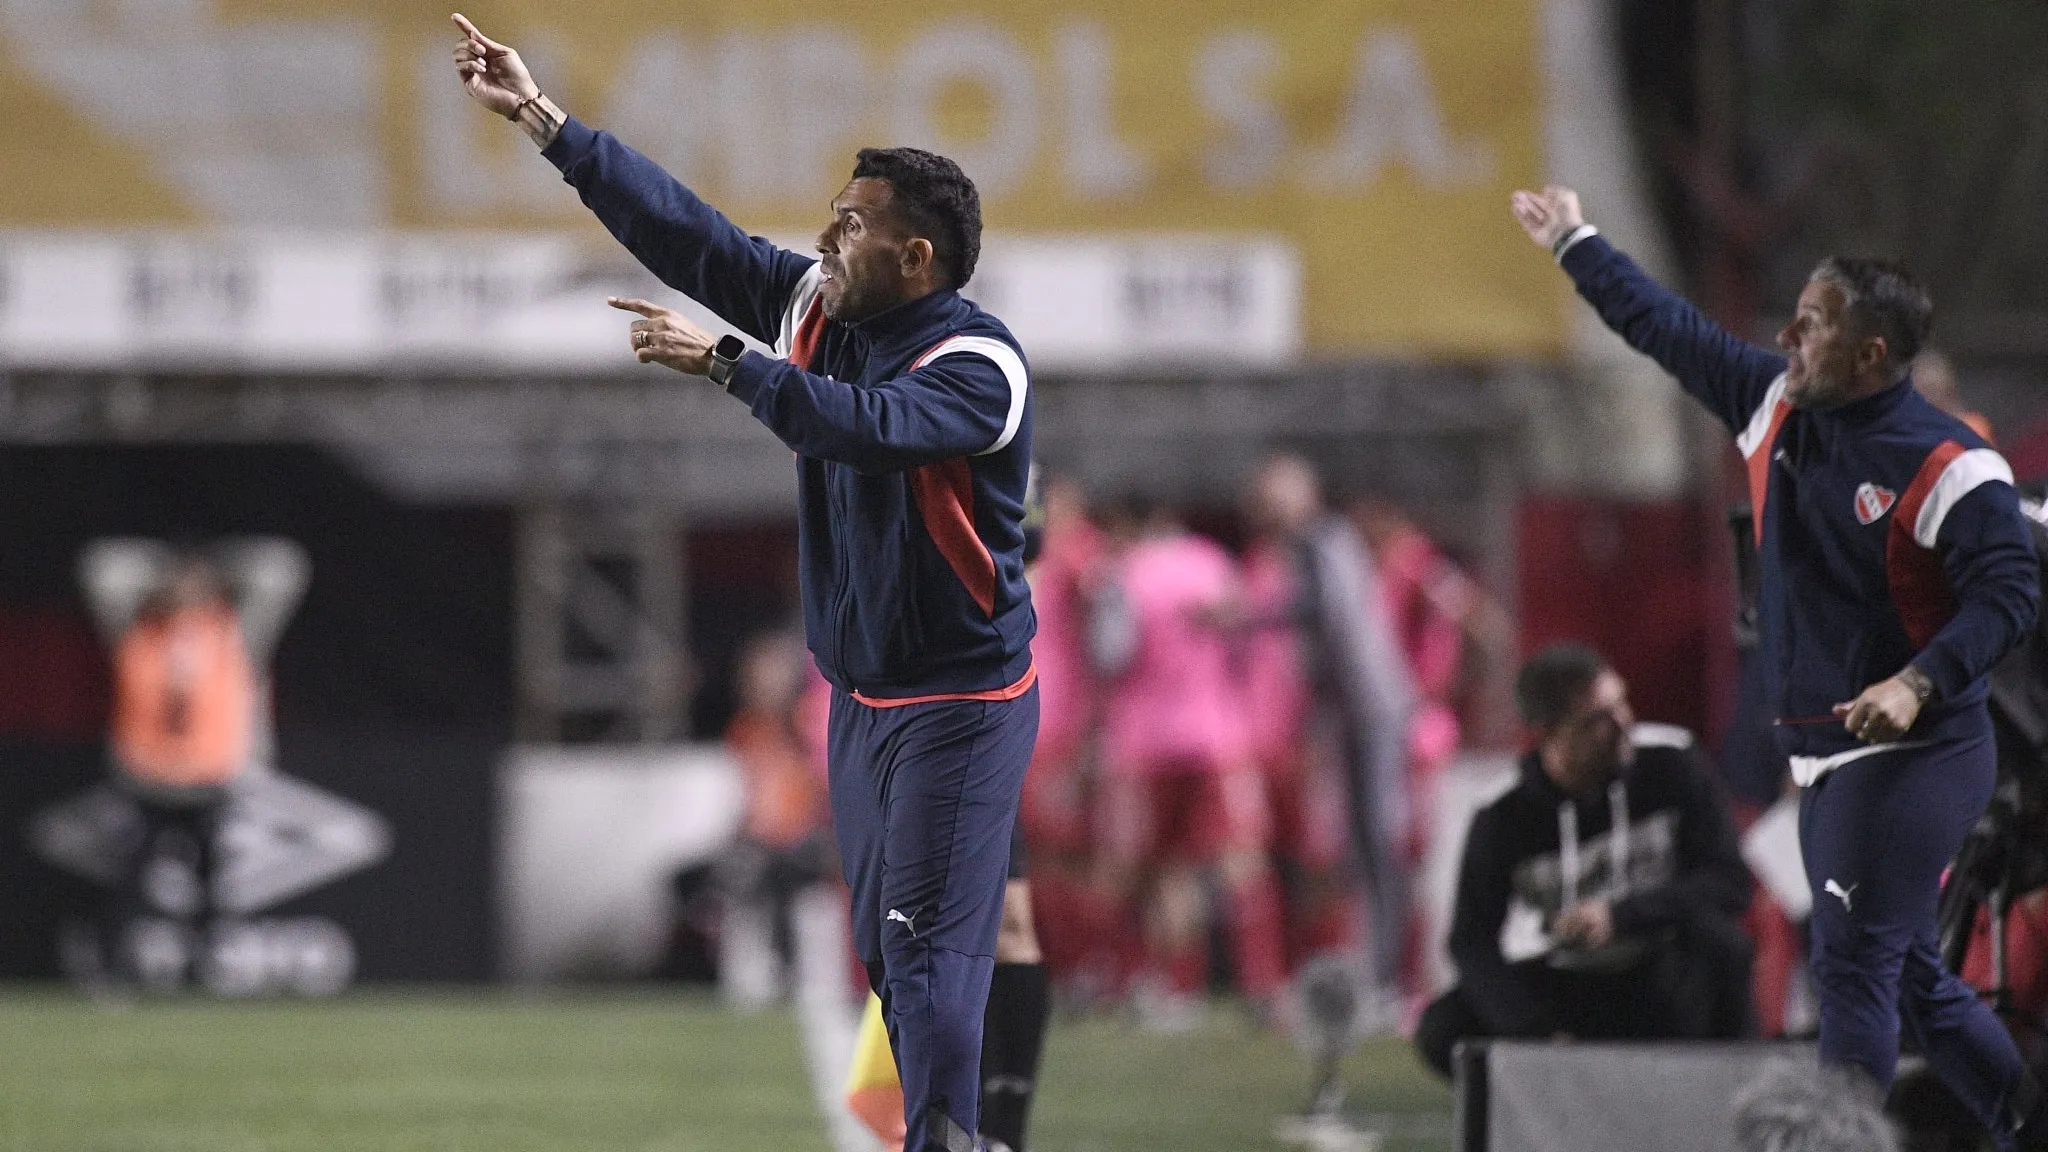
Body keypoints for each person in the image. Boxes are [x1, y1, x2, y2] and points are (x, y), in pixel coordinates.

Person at [453, 18, 1038, 1150]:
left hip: (960, 709)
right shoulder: (819, 312)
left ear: (915, 260)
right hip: (863, 704)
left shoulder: (978, 365)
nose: (823, 236)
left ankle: (954, 1138)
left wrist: (726, 362)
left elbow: (868, 430)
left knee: (927, 958)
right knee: (890, 958)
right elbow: (693, 237)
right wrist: (544, 122)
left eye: (851, 223)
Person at [1512, 185, 2045, 1147]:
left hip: (1919, 752)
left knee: (1851, 971)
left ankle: (1834, 1142)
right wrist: (1575, 241)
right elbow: (1660, 325)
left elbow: (2010, 599)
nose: (1788, 336)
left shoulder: (1952, 465)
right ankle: (2022, 1118)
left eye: (1815, 324)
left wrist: (1915, 680)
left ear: (1873, 355)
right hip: (1830, 752)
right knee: (1913, 980)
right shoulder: (1770, 401)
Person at [1413, 644, 1755, 1076]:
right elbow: (1470, 941)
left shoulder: (1671, 763)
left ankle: (1727, 1097)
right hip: (1569, 982)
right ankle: (1528, 1118)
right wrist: (1534, 1028)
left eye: (1621, 703)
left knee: (1724, 946)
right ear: (1548, 733)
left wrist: (1621, 916)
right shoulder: (1504, 814)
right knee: (1444, 1025)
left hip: (1662, 974)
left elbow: (1729, 882)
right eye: (1598, 719)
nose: (1623, 724)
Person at [1089, 496, 1285, 1025]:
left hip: (1144, 742)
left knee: (1162, 869)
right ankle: (1263, 984)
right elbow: (1249, 648)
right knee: (1239, 861)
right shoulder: (1215, 565)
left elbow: (1111, 654)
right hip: (1217, 737)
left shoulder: (1126, 572)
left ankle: (1177, 990)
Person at [80, 537, 308, 989]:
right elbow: (103, 567)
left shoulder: (234, 631)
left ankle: (208, 975)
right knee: (131, 886)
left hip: (209, 780)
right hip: (149, 780)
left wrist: (216, 571)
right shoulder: (137, 629)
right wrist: (165, 572)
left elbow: (283, 567)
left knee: (212, 889)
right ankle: (116, 974)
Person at [1241, 456, 1416, 1006]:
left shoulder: (1321, 541)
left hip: (1369, 709)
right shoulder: (1315, 545)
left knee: (1378, 838)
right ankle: (1382, 969)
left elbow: (1330, 614)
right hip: (1355, 712)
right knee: (1363, 843)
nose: (1267, 513)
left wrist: (1251, 616)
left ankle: (1393, 974)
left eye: (1276, 500)